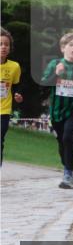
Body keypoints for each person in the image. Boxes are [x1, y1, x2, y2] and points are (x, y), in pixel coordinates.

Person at [40, 32, 73, 189]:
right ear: (63, 48)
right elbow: (44, 83)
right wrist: (56, 74)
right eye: (71, 45)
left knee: (68, 136)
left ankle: (68, 175)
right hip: (57, 111)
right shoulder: (55, 64)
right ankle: (66, 164)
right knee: (61, 140)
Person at [1, 27, 24, 163]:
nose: (3, 47)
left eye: (6, 44)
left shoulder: (14, 66)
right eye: (0, 44)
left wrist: (18, 94)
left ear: (10, 48)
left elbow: (16, 85)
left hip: (3, 110)